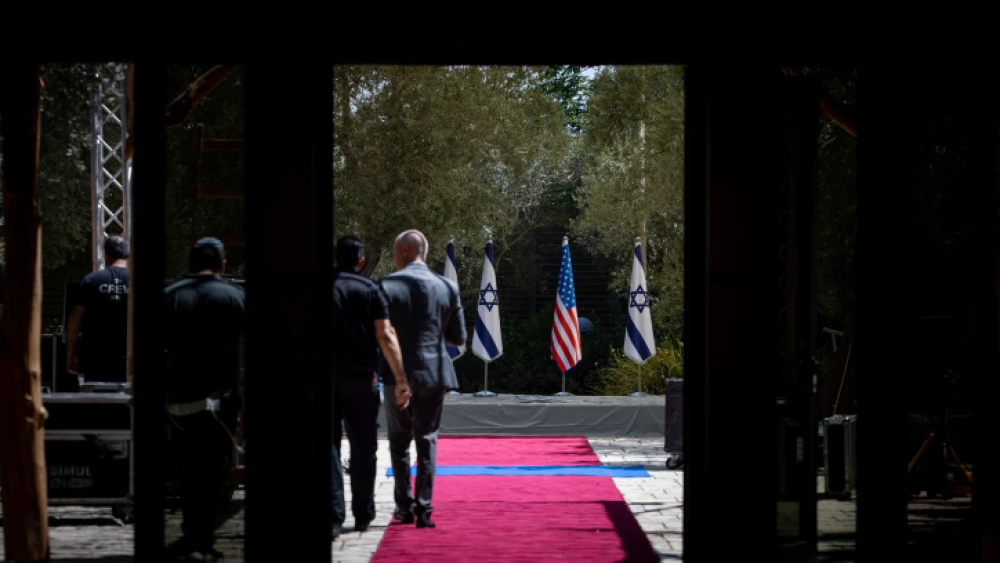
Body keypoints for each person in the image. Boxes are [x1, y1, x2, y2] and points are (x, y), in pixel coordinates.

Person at [163, 238, 245, 562]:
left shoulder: (170, 296)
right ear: (223, 265)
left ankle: (191, 533)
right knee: (213, 470)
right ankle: (202, 536)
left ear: (190, 262)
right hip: (219, 401)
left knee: (186, 465)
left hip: (179, 401)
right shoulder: (235, 297)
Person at [379, 229, 466, 528]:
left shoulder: (386, 285)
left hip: (396, 374)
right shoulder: (447, 287)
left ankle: (403, 507)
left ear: (404, 251)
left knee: (398, 441)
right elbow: (458, 337)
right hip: (434, 372)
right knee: (427, 440)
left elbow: (378, 333)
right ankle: (425, 508)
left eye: (394, 250)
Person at [331, 235, 409, 539]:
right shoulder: (370, 289)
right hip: (362, 378)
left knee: (330, 447)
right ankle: (363, 514)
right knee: (365, 446)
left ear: (335, 259)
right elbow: (385, 334)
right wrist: (400, 378)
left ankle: (333, 517)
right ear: (361, 261)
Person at [65, 235, 130, 386]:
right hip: (129, 356)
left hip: (95, 357)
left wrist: (71, 354)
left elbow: (74, 320)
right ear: (128, 255)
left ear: (105, 254)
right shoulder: (137, 282)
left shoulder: (91, 280)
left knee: (97, 402)